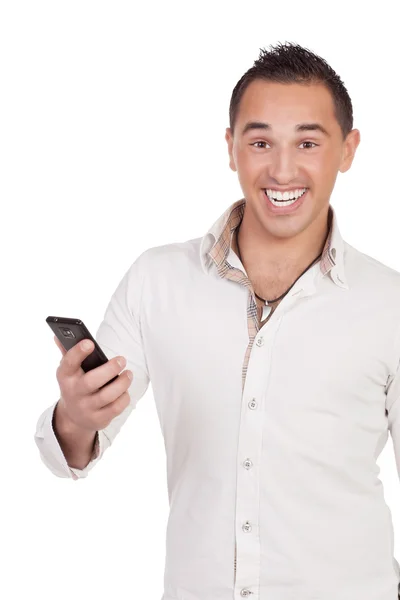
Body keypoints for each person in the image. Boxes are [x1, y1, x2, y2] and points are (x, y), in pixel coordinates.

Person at [34, 41, 400, 600]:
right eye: (260, 142)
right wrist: (76, 413)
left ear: (347, 150)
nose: (282, 169)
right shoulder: (157, 280)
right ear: (231, 149)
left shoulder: (389, 303)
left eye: (307, 142)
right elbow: (74, 451)